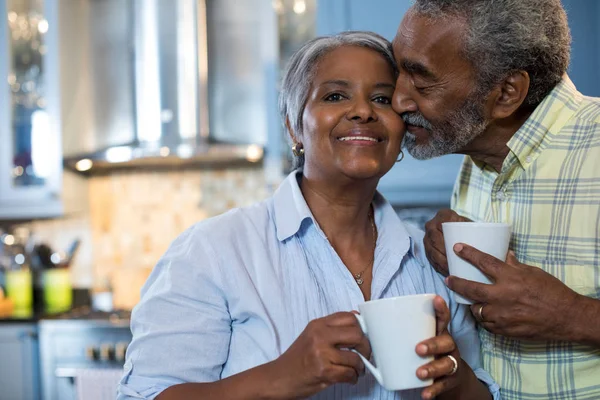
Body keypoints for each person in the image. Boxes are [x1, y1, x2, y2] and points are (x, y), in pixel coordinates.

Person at [117, 32, 498, 400]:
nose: (363, 111)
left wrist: (455, 379)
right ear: (293, 125)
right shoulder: (212, 251)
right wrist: (279, 377)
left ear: (401, 133)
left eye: (383, 99)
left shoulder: (432, 259)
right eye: (335, 95)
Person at [391, 0, 600, 398]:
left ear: (506, 94)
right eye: (397, 70)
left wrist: (574, 316)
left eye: (420, 81)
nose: (399, 100)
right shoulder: (479, 154)